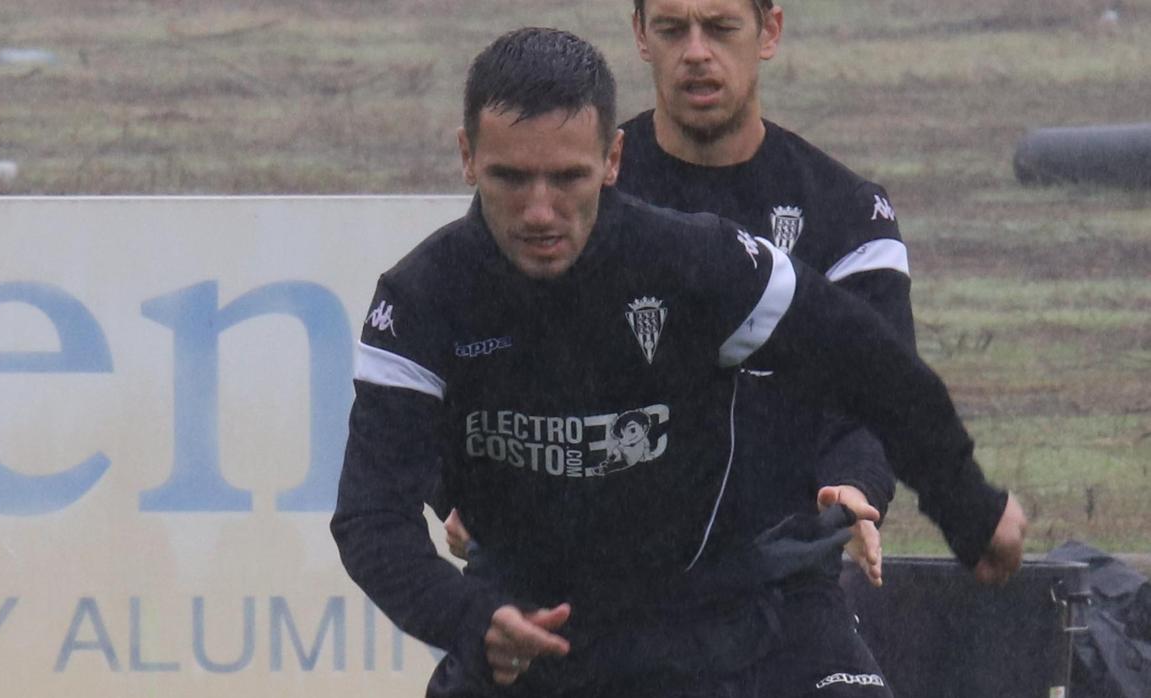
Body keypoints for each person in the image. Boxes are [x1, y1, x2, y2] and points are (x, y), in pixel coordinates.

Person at [331, 27, 1026, 698]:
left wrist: (964, 502)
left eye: (567, 177)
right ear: (466, 157)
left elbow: (871, 364)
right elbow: (370, 519)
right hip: (520, 640)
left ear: (611, 160)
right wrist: (468, 620)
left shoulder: (695, 262)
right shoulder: (421, 297)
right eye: (509, 178)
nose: (539, 210)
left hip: (697, 643)